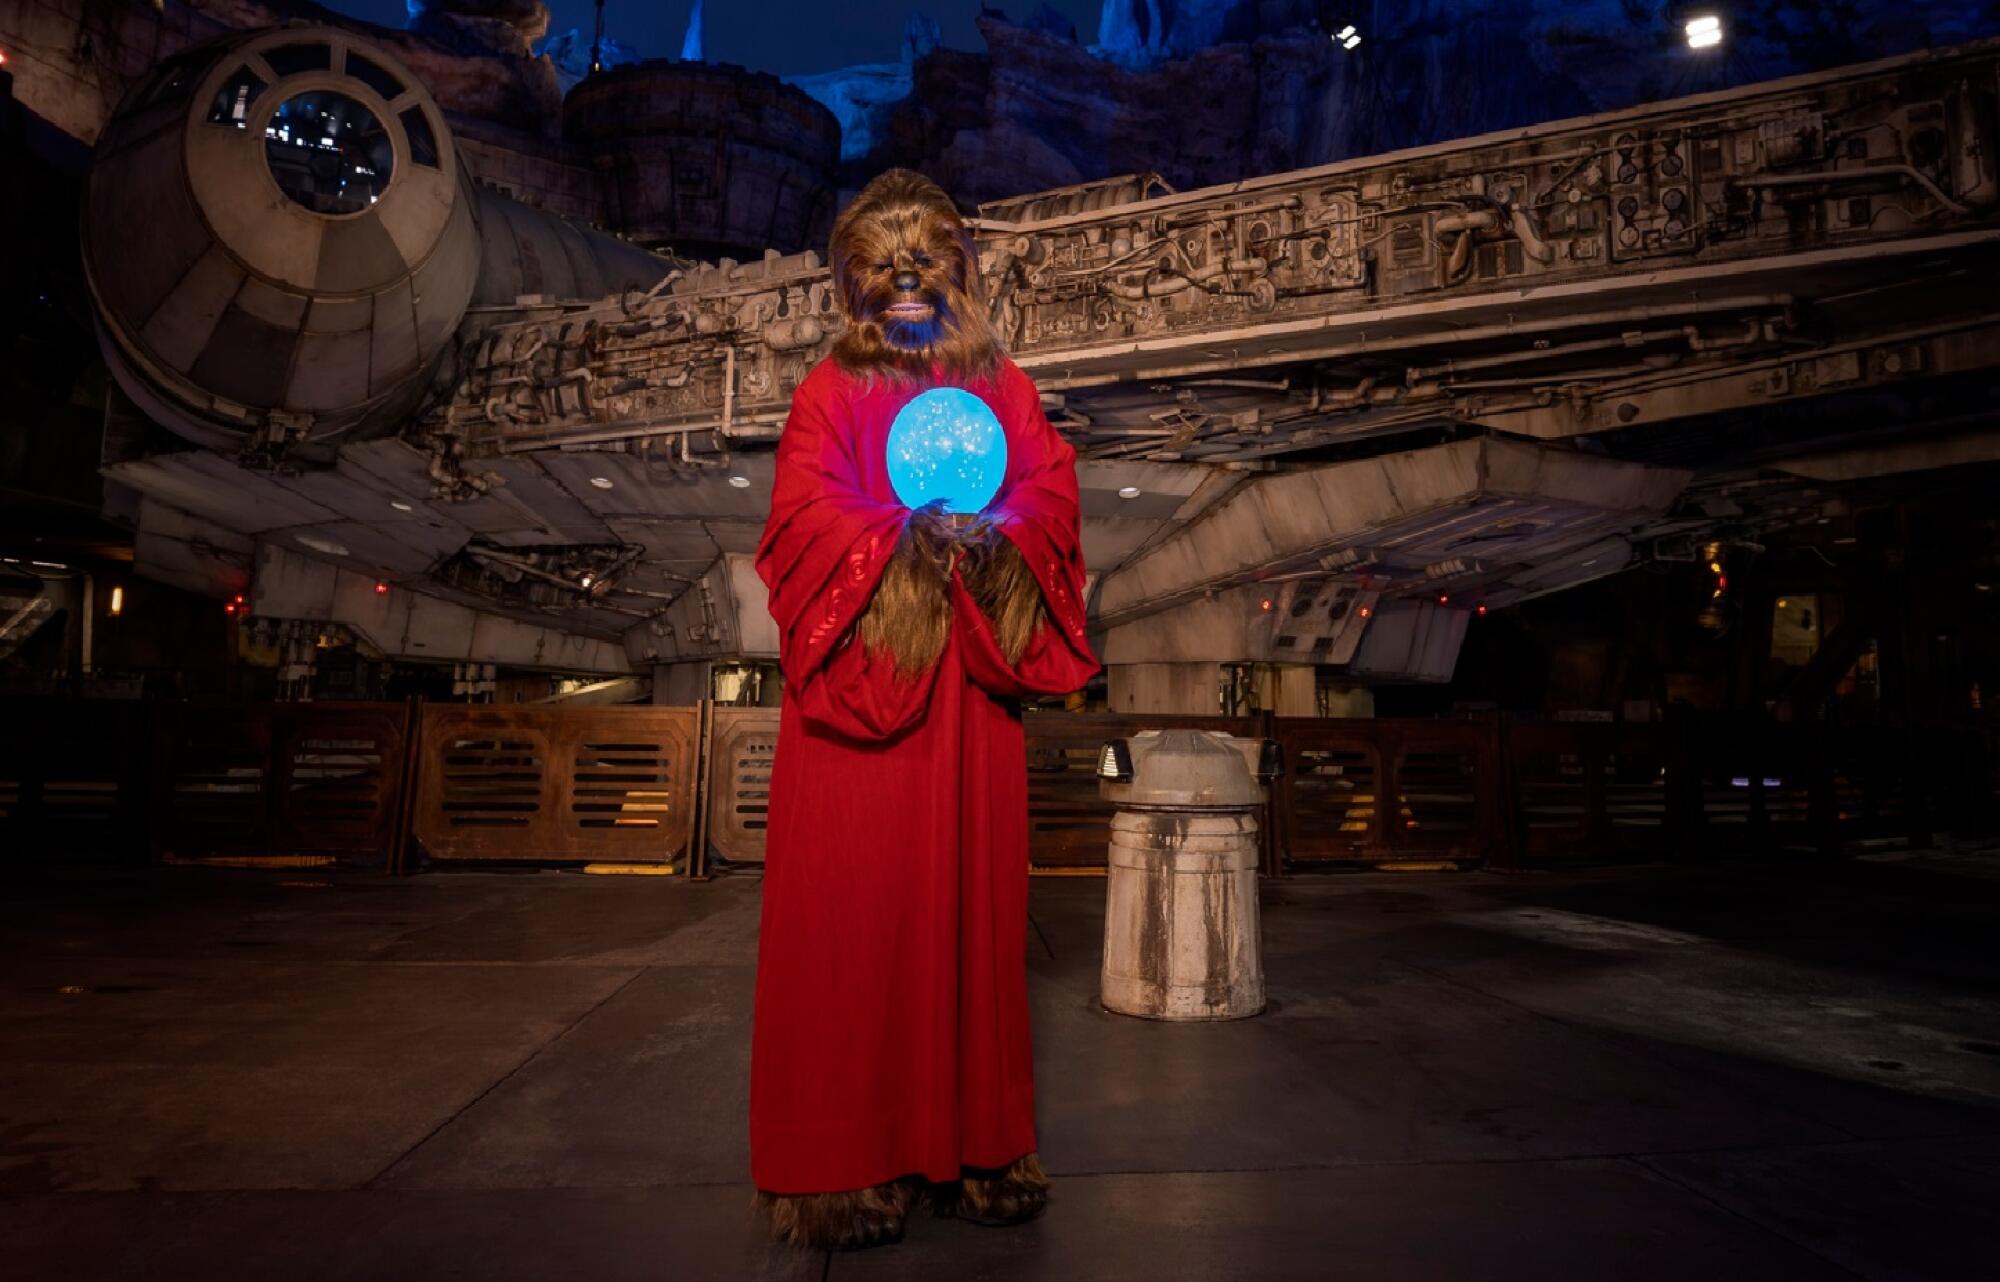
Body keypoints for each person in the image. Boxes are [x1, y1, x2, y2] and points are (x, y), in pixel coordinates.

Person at [751, 168, 1099, 1251]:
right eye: (882, 261)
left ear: (963, 270)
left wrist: (993, 538)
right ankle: (834, 1167)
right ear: (847, 279)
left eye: (925, 259)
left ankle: (978, 1146)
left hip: (967, 696)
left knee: (973, 922)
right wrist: (898, 543)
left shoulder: (1006, 385)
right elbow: (799, 525)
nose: (904, 279)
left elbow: (1050, 498)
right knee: (848, 923)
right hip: (864, 697)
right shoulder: (826, 390)